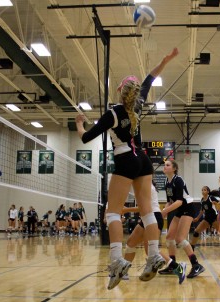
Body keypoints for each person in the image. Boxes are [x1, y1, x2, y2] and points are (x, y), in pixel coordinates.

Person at [75, 47, 179, 290]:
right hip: (143, 159)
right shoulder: (138, 106)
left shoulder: (113, 113)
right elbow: (150, 79)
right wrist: (165, 59)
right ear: (134, 93)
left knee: (113, 212)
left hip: (124, 159)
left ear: (121, 91)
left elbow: (85, 137)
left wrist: (79, 123)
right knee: (147, 213)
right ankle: (153, 255)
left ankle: (116, 260)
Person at [122, 179, 186, 284]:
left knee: (151, 251)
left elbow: (144, 207)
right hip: (146, 217)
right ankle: (123, 271)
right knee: (131, 243)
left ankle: (178, 268)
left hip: (154, 217)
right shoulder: (140, 184)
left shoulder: (146, 186)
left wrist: (125, 210)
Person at [158, 160, 205, 279]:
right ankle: (172, 265)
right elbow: (170, 201)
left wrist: (165, 211)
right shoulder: (166, 182)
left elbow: (179, 201)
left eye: (167, 165)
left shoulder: (178, 180)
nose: (165, 167)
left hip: (188, 208)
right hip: (179, 209)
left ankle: (196, 265)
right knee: (169, 237)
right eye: (165, 165)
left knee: (180, 238)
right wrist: (163, 211)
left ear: (174, 168)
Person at [189, 186, 219, 251]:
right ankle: (192, 247)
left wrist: (216, 203)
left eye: (204, 190)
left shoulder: (211, 197)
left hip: (214, 218)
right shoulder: (202, 200)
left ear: (208, 191)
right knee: (196, 232)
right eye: (202, 190)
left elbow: (219, 204)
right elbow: (202, 210)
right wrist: (197, 218)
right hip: (207, 219)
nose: (203, 191)